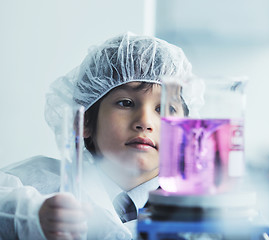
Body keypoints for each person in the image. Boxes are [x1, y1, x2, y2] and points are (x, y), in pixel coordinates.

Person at [0, 32, 192, 239]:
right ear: (84, 122)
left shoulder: (204, 208)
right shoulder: (36, 187)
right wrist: (27, 218)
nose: (145, 122)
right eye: (126, 103)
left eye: (165, 109)